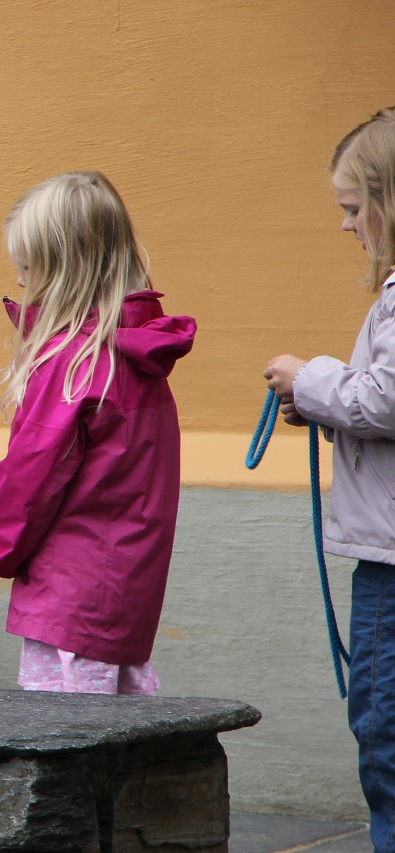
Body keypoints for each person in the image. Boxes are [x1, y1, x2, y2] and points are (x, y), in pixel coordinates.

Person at [0, 171, 197, 696]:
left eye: (27, 268)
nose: (21, 282)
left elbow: (33, 475)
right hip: (125, 592)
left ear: (60, 270)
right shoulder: (139, 357)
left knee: (65, 743)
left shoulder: (72, 363)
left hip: (69, 596)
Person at [264, 107, 395, 853]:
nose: (347, 226)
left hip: (389, 557)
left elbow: (384, 397)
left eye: (353, 208)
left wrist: (307, 378)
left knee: (382, 728)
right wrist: (320, 400)